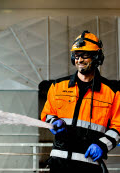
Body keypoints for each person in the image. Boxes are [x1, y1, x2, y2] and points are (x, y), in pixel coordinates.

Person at [41, 30, 120, 173]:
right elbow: (47, 114)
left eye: (85, 55)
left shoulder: (112, 92)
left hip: (89, 164)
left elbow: (118, 126)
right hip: (59, 163)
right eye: (77, 56)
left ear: (97, 58)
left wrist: (102, 145)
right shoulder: (57, 86)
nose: (80, 60)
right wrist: (53, 122)